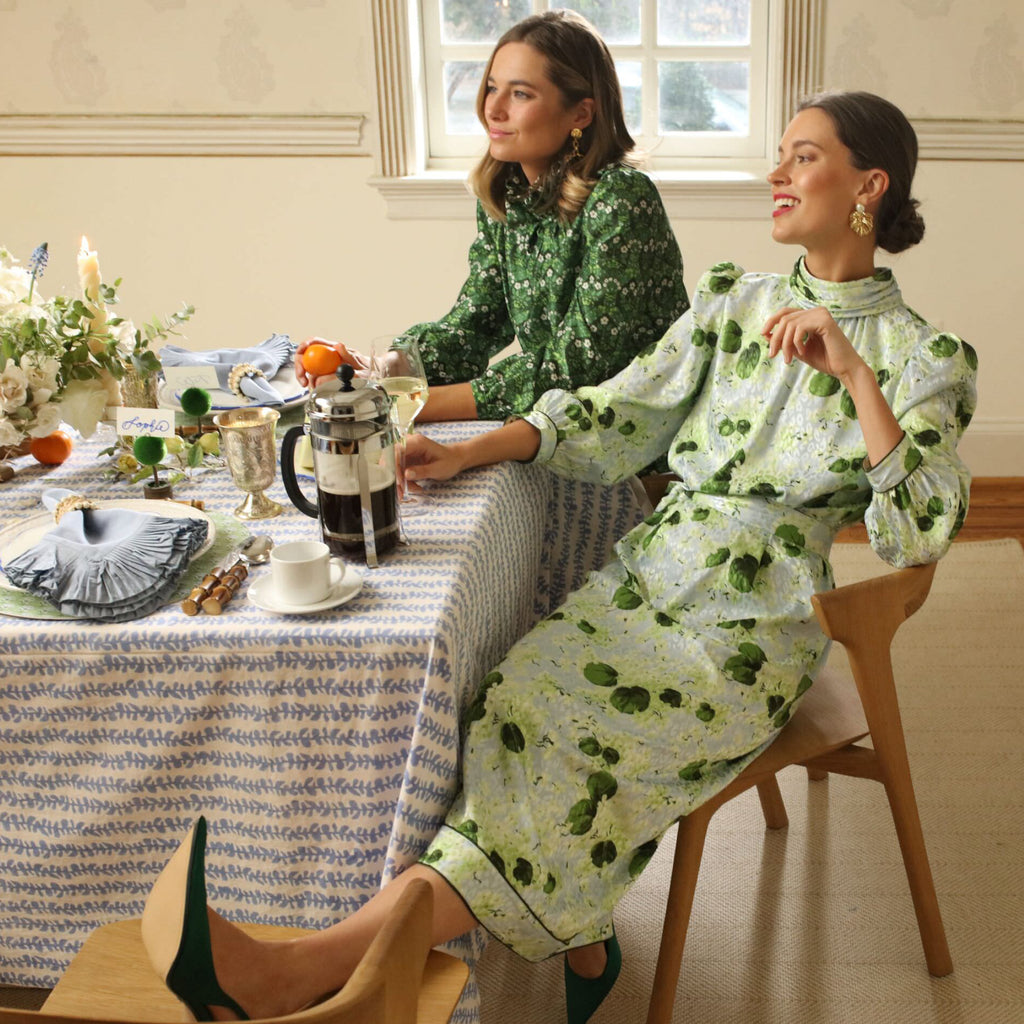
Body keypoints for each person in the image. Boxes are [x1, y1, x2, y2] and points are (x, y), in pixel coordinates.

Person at [141, 92, 976, 1024]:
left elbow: (916, 536)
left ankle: (307, 973)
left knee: (588, 740)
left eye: (803, 157)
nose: (775, 175)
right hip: (654, 568)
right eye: (776, 155)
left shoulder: (925, 357)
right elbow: (619, 408)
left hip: (757, 622)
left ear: (870, 185)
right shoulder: (734, 302)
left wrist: (855, 376)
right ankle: (534, 948)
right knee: (516, 699)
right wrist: (471, 447)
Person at [294, 9, 688, 423]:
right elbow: (475, 325)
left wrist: (406, 404)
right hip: (559, 430)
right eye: (492, 88)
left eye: (520, 94)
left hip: (640, 440)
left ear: (581, 114)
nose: (492, 110)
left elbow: (580, 364)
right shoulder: (509, 197)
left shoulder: (621, 198)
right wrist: (378, 368)